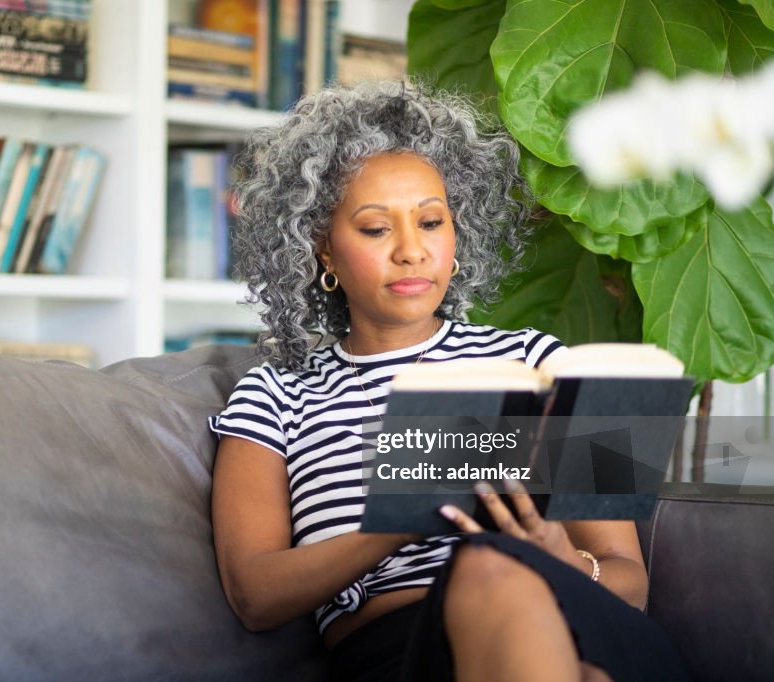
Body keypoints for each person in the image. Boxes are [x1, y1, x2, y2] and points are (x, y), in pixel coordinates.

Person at [208, 80, 689, 682]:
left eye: (431, 222)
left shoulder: (539, 362)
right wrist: (402, 520)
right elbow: (255, 595)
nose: (412, 251)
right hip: (402, 651)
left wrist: (560, 554)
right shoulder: (277, 394)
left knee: (509, 578)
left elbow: (630, 581)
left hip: (581, 615)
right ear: (322, 250)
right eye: (377, 229)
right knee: (503, 587)